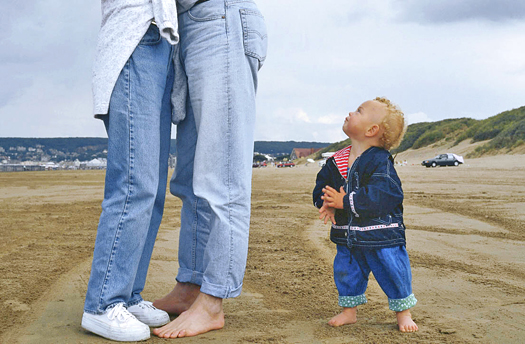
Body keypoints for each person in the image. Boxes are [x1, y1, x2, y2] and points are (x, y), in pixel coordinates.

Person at [151, 0, 268, 339]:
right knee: (189, 179)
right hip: (188, 26)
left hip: (220, 19)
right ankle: (189, 285)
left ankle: (213, 300)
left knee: (222, 178)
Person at [312, 97, 418, 333]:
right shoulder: (335, 161)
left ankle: (403, 312)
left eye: (359, 111)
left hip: (381, 234)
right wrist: (326, 202)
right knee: (346, 272)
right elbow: (323, 186)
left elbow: (385, 194)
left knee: (393, 271)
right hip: (347, 235)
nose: (351, 112)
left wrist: (345, 201)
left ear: (372, 130)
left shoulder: (380, 162)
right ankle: (349, 312)